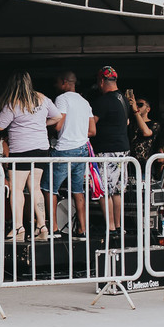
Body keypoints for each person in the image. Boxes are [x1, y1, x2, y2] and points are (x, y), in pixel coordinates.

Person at [0, 72, 62, 241]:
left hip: (21, 150)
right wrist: (42, 123)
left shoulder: (13, 103)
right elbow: (57, 116)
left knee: (17, 189)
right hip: (41, 149)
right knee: (35, 187)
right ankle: (42, 226)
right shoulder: (42, 98)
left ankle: (18, 228)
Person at [45, 71, 95, 236]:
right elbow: (92, 130)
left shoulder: (62, 99)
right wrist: (77, 133)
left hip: (65, 148)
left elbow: (58, 125)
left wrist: (46, 127)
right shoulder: (84, 102)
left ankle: (54, 228)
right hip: (82, 149)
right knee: (78, 190)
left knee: (49, 188)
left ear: (64, 82)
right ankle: (82, 229)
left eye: (57, 82)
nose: (55, 85)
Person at [92, 66, 130, 236]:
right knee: (117, 191)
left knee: (104, 190)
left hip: (107, 150)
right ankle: (119, 226)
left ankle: (111, 227)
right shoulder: (123, 99)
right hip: (123, 149)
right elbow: (127, 122)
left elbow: (91, 124)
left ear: (101, 81)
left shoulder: (103, 101)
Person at [126, 91, 160, 166]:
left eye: (140, 105)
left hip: (147, 164)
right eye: (136, 104)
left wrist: (136, 111)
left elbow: (146, 132)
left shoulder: (154, 124)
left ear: (148, 109)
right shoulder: (131, 123)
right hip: (131, 163)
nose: (137, 107)